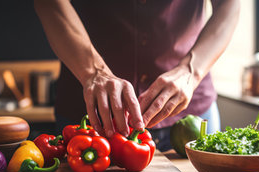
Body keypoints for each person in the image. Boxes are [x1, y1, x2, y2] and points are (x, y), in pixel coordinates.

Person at [34, 0, 240, 151]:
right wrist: (93, 71)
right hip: (87, 115)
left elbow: (229, 3)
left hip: (192, 109)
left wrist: (191, 71)